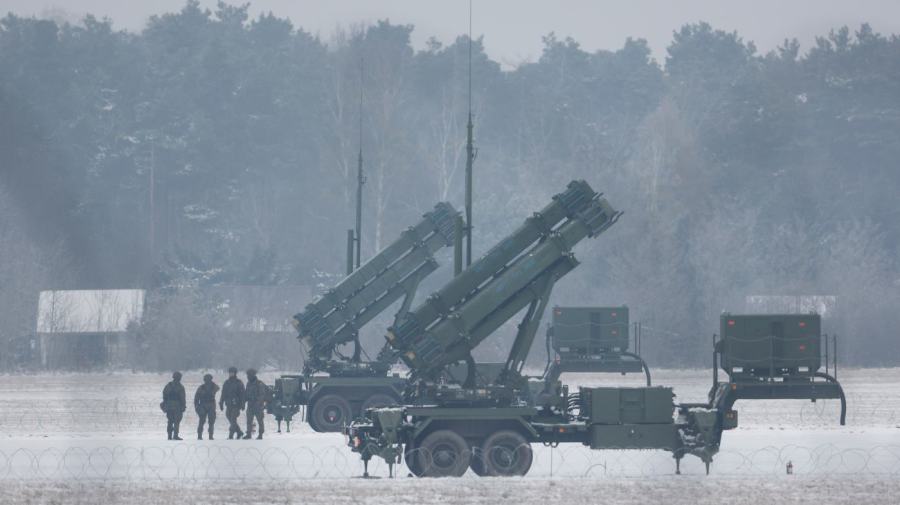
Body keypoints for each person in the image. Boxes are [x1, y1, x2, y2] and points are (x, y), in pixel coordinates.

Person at [219, 366, 245, 439]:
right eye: (230, 373)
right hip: (229, 404)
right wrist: (221, 402)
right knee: (229, 417)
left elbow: (242, 394)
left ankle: (231, 435)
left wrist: (243, 404)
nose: (231, 374)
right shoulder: (226, 382)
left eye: (232, 373)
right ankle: (239, 432)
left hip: (236, 404)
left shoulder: (239, 382)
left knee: (233, 419)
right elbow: (223, 393)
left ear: (235, 373)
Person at [243, 368, 268, 440]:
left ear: (253, 375)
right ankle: (248, 434)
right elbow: (246, 394)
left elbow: (262, 395)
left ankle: (260, 434)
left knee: (260, 420)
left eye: (249, 375)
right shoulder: (248, 384)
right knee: (249, 420)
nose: (248, 377)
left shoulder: (259, 383)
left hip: (258, 405)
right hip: (250, 405)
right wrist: (243, 401)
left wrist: (258, 403)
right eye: (248, 375)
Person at [161, 371, 186, 440]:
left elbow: (164, 395)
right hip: (177, 406)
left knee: (170, 421)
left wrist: (166, 403)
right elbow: (182, 398)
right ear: (179, 378)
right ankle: (175, 435)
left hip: (169, 405)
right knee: (176, 421)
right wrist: (183, 406)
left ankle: (169, 436)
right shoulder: (180, 387)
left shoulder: (168, 385)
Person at [194, 373, 219, 440]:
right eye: (206, 379)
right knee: (203, 421)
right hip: (204, 405)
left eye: (208, 379)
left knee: (210, 421)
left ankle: (208, 435)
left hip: (209, 405)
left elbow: (196, 398)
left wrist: (196, 406)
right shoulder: (202, 387)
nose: (207, 381)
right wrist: (197, 407)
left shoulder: (213, 387)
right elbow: (196, 398)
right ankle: (201, 435)